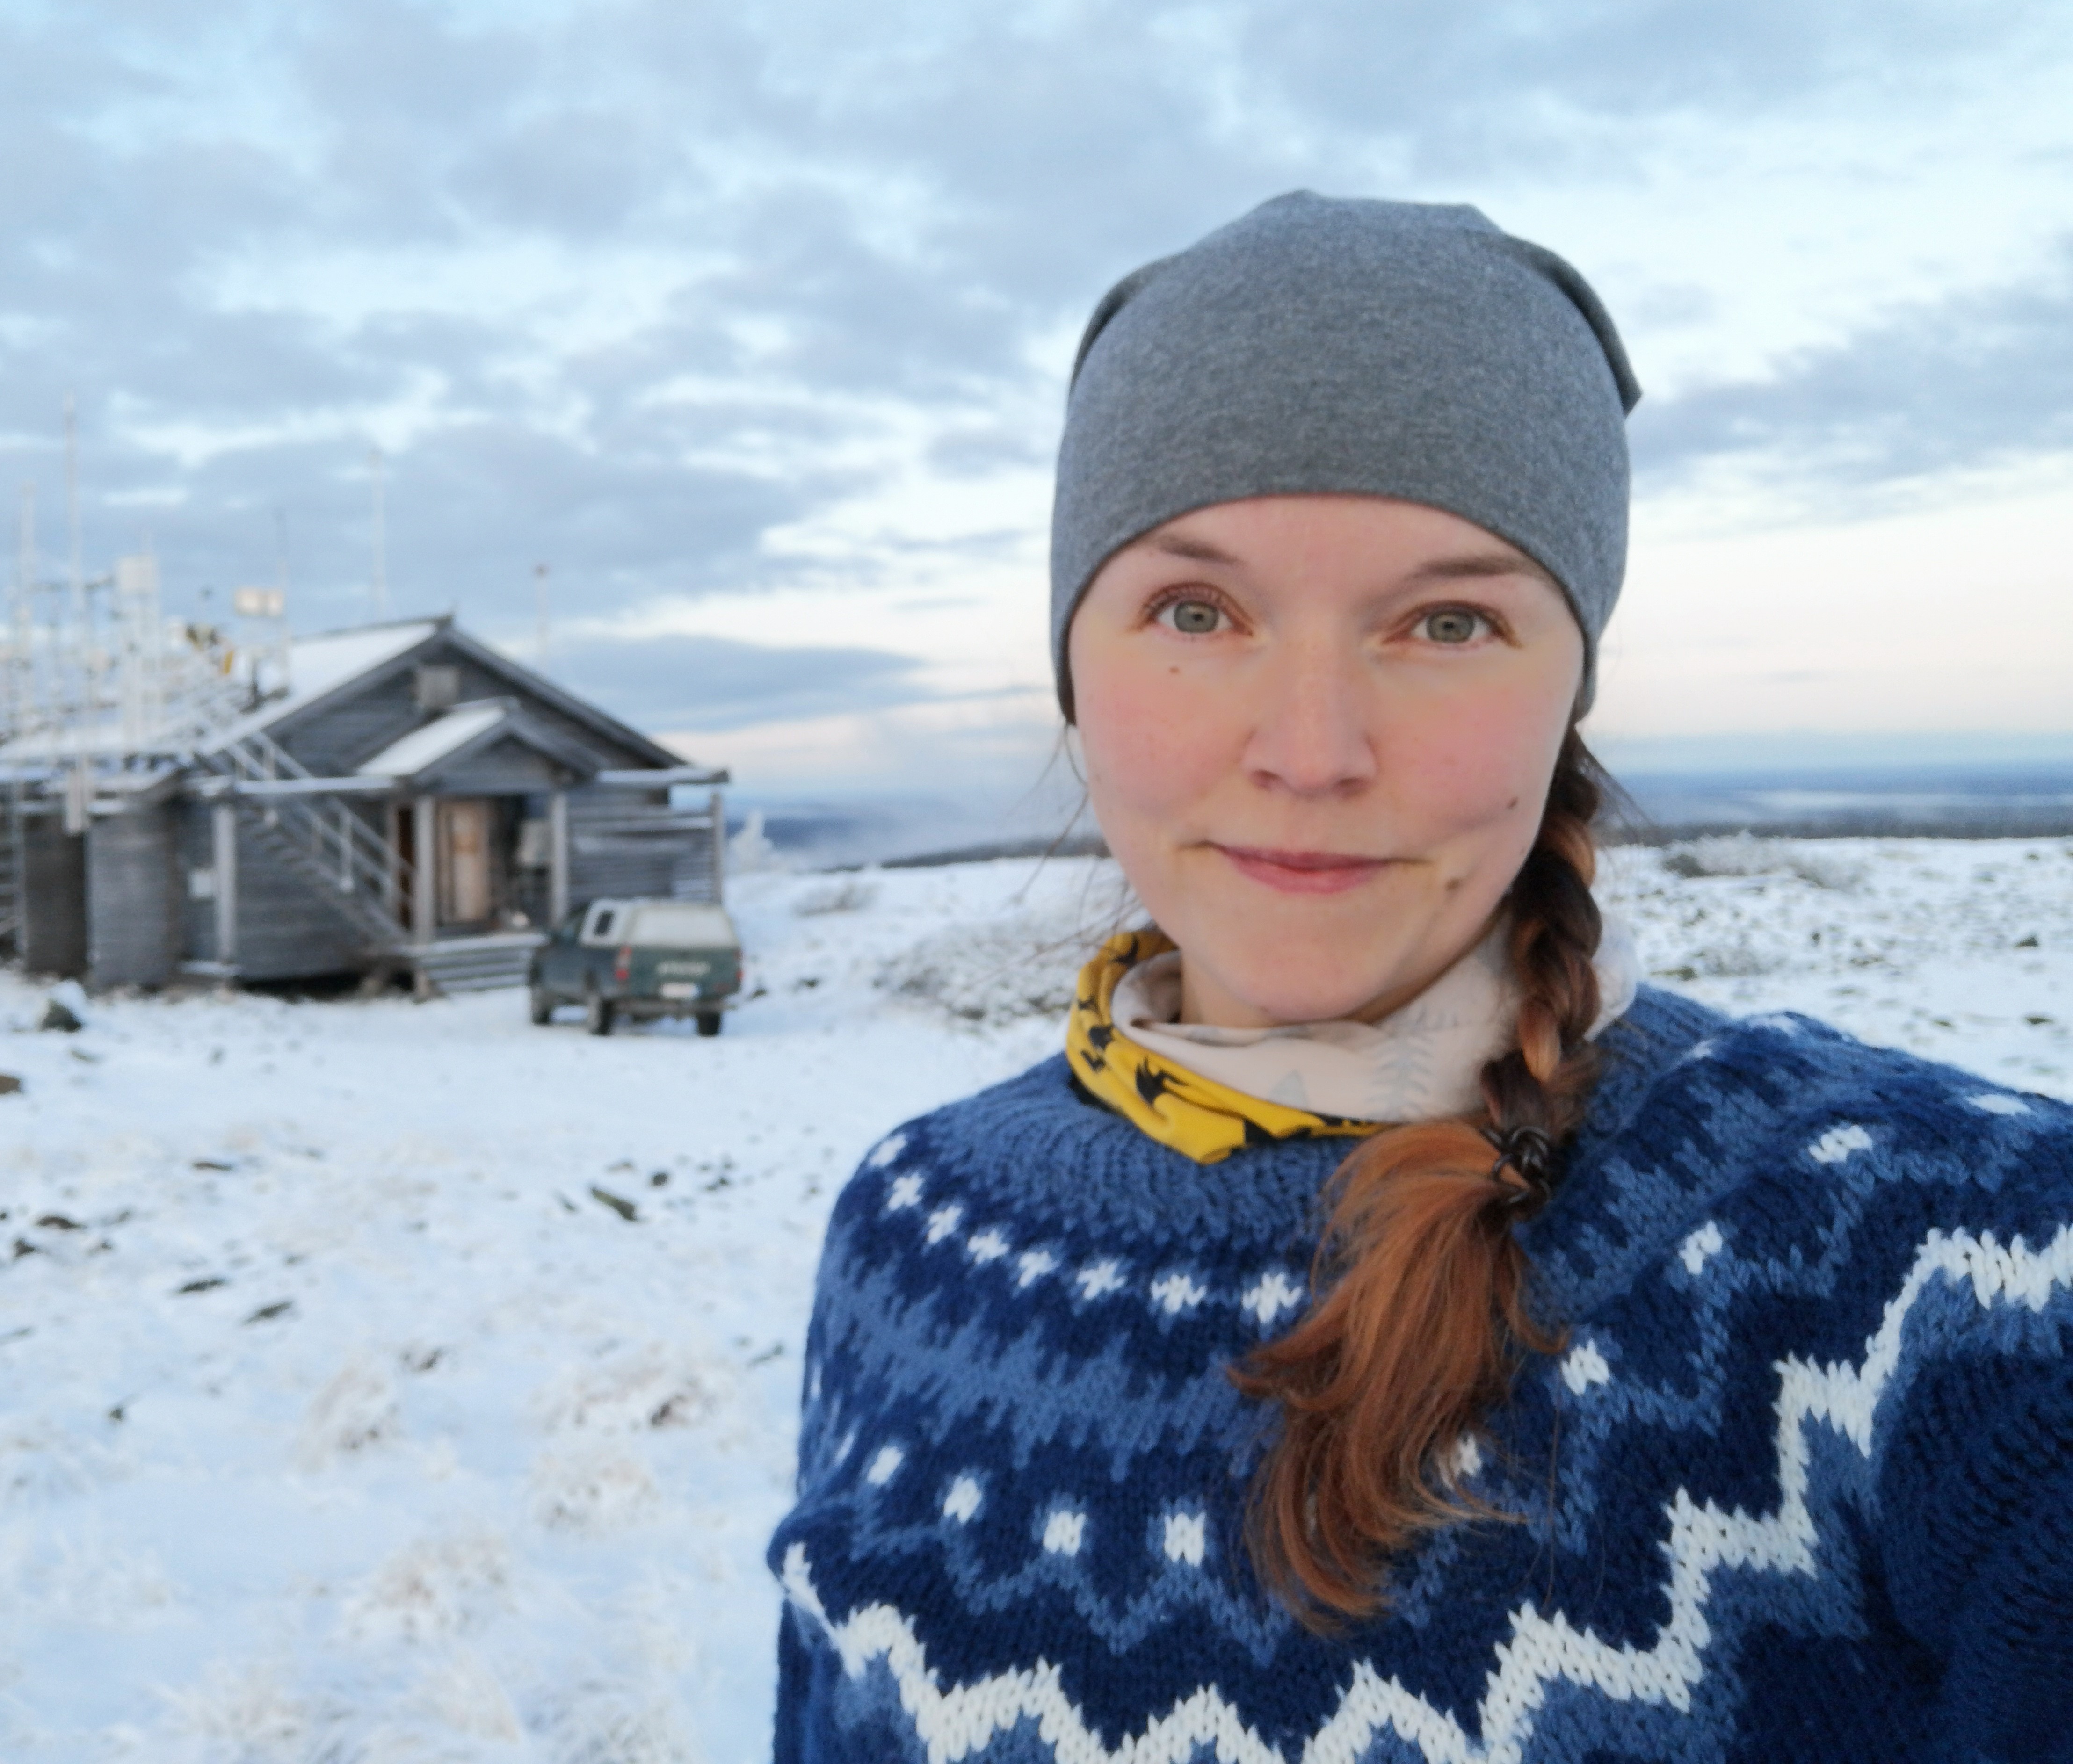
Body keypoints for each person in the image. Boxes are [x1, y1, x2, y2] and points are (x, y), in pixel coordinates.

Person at [767, 194, 2073, 1764]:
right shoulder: (910, 1233)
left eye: (1448, 622)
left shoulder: (1950, 1279)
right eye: (1197, 611)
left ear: (1569, 690)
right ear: (1073, 668)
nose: (1311, 753)